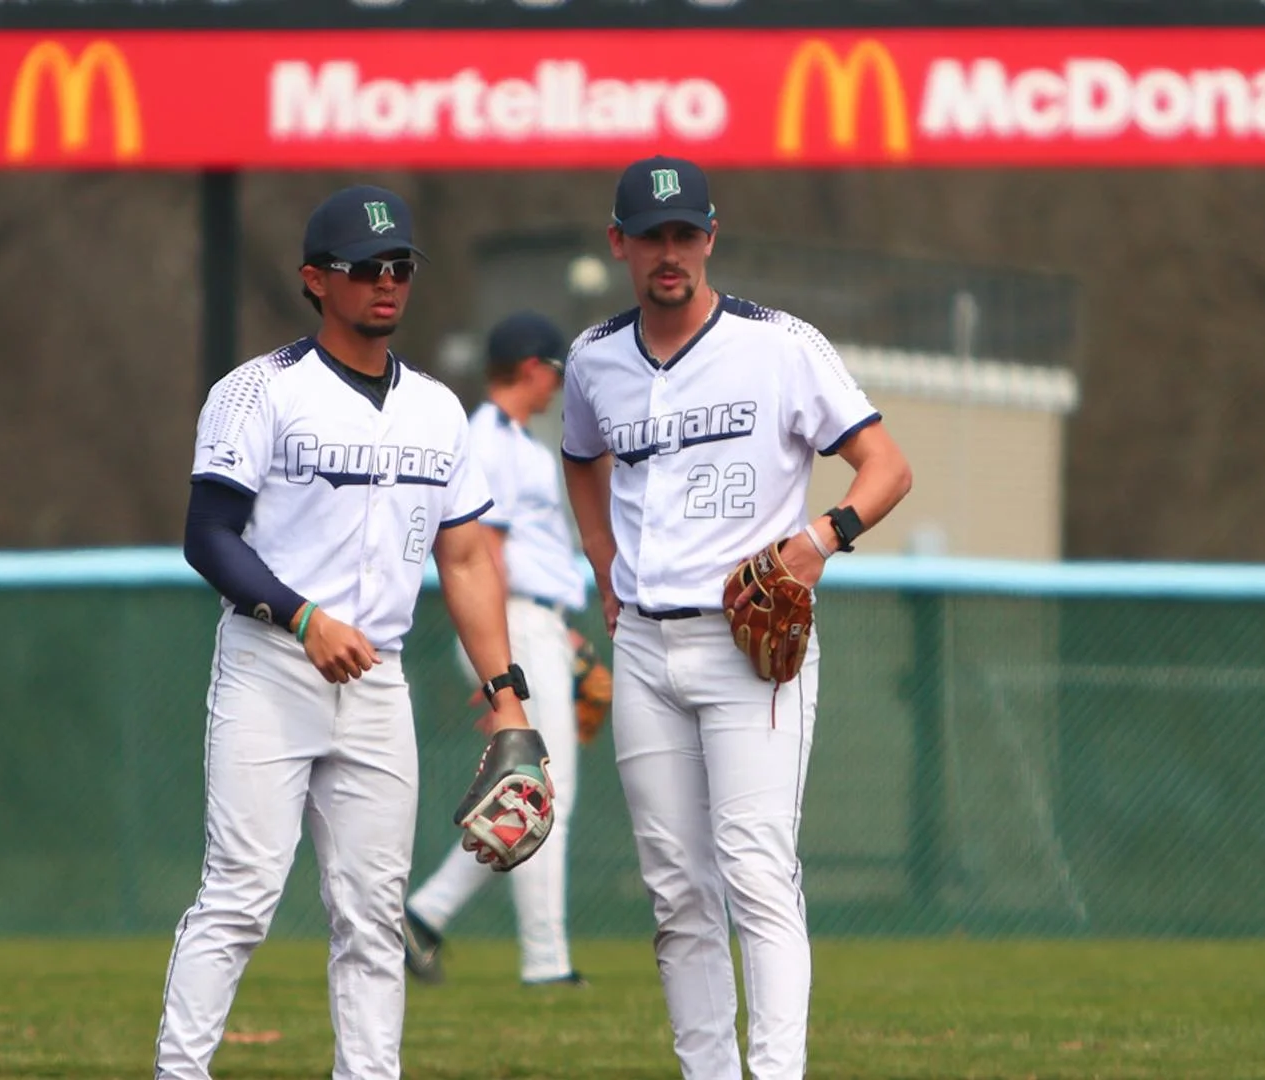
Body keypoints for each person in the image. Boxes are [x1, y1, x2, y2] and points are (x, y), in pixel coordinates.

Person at [156, 184, 542, 1080]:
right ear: (314, 280)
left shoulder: (439, 411)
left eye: (399, 266)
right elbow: (206, 535)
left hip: (379, 679)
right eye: (364, 267)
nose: (386, 282)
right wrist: (300, 616)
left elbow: (470, 560)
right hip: (271, 664)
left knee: (373, 912)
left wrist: (507, 698)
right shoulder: (260, 392)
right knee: (243, 896)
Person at [559, 157, 913, 1080]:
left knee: (755, 870)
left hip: (748, 646)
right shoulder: (594, 358)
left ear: (710, 237)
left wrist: (821, 539)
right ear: (619, 244)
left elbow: (886, 468)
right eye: (650, 236)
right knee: (677, 893)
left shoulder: (779, 345)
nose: (668, 253)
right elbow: (579, 459)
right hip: (642, 645)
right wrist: (603, 562)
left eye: (685, 234)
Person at [402, 311, 591, 989]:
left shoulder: (510, 439)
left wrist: (559, 633)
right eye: (554, 374)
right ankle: (546, 963)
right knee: (546, 796)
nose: (555, 388)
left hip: (532, 623)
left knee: (525, 796)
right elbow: (488, 555)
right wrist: (502, 676)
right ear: (534, 368)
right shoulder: (494, 443)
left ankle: (423, 916)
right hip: (508, 624)